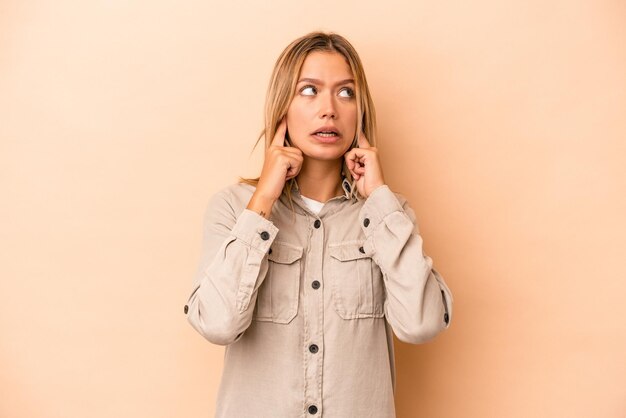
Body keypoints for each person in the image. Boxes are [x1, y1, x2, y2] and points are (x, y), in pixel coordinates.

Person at [184, 31, 453, 417]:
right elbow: (216, 324)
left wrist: (378, 198)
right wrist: (263, 201)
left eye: (346, 93)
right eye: (309, 90)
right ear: (283, 107)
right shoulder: (233, 209)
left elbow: (422, 324)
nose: (329, 109)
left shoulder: (388, 215)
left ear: (361, 111)